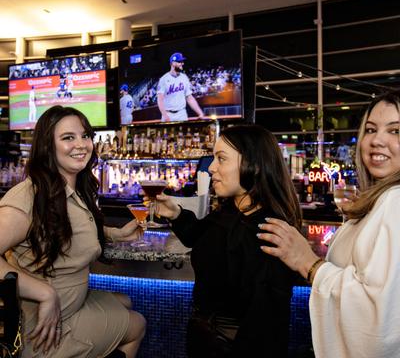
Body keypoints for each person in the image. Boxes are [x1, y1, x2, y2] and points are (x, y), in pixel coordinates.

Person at [258, 89, 400, 358]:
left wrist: (308, 263)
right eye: (370, 129)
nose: (377, 140)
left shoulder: (396, 200)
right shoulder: (385, 200)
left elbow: (377, 321)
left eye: (395, 131)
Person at [0, 106, 146, 357]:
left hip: (70, 302)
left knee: (125, 300)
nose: (82, 144)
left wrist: (114, 234)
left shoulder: (71, 188)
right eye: (68, 137)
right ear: (48, 146)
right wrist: (44, 294)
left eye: (85, 135)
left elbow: (66, 229)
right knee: (137, 323)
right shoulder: (29, 197)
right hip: (46, 328)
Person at [154, 124, 302, 357]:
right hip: (205, 337)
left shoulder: (269, 230)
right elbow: (201, 237)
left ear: (253, 165)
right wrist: (176, 214)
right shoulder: (230, 211)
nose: (211, 167)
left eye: (221, 159)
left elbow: (265, 325)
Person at [156, 52, 204, 122]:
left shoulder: (184, 77)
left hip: (182, 113)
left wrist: (200, 112)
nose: (182, 63)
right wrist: (165, 116)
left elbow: (189, 98)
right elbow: (160, 100)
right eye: (180, 62)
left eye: (182, 62)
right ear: (173, 63)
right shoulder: (164, 79)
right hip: (168, 113)